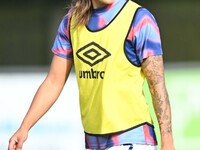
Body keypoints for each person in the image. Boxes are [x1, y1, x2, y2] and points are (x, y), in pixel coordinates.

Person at [8, 0, 175, 149]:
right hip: (92, 142)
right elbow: (53, 82)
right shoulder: (71, 23)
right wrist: (24, 127)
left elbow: (157, 85)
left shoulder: (139, 19)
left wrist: (167, 141)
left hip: (133, 139)